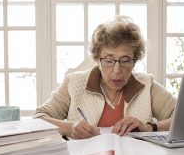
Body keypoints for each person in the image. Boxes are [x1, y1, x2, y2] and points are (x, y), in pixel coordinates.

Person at [34, 15, 176, 139]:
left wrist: (149, 128)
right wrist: (69, 128)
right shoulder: (74, 83)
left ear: (134, 61)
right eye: (108, 60)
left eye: (125, 60)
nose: (116, 71)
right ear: (97, 59)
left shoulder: (147, 85)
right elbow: (38, 118)